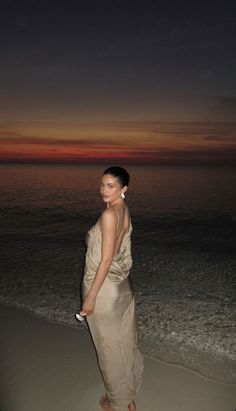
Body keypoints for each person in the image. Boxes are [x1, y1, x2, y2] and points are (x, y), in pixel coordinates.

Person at [80, 166, 143, 411]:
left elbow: (105, 260)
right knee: (123, 342)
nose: (104, 190)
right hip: (121, 286)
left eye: (111, 186)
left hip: (103, 290)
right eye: (102, 185)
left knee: (108, 349)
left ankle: (116, 403)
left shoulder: (109, 215)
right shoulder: (123, 210)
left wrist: (91, 298)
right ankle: (128, 397)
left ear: (123, 189)